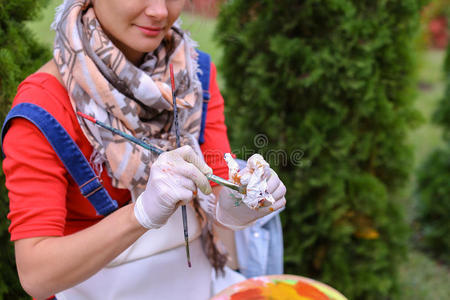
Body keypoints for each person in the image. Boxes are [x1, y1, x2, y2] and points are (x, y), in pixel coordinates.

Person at [1, 0, 287, 299]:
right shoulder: (44, 109)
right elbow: (36, 275)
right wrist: (141, 214)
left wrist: (243, 199)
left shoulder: (195, 73)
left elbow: (217, 191)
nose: (160, 11)